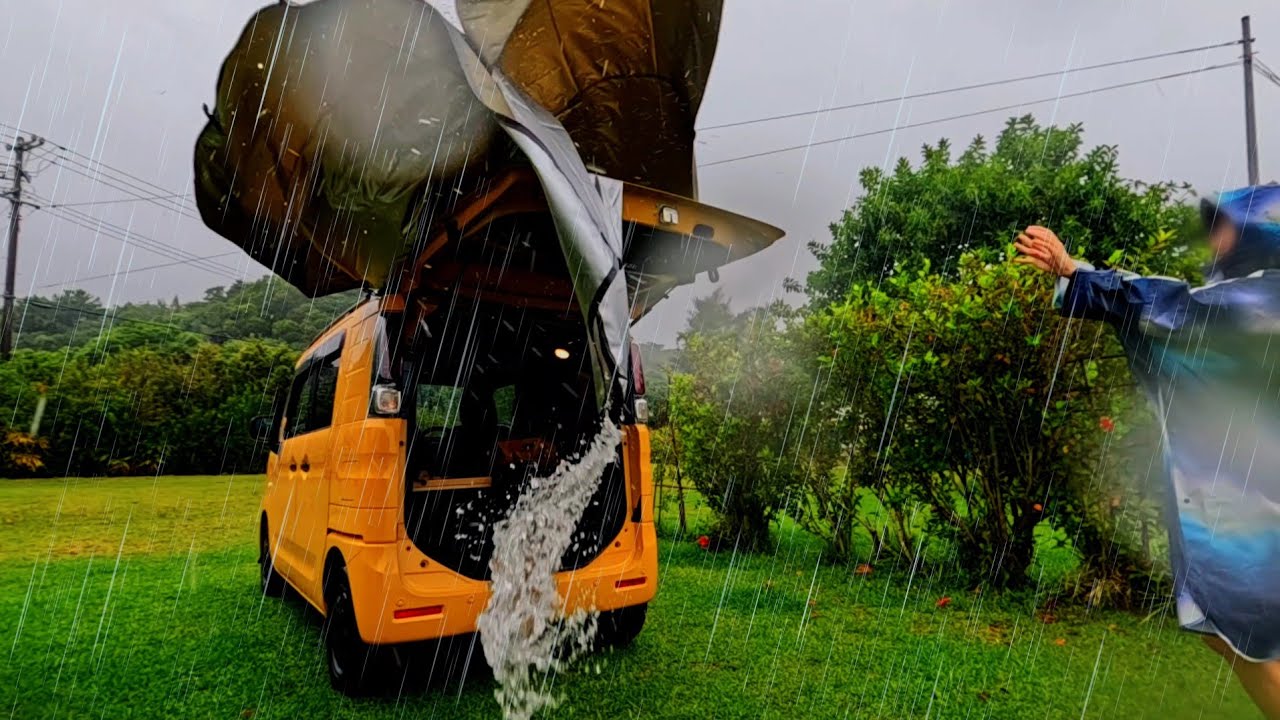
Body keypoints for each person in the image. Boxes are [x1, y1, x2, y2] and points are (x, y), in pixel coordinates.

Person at [1014, 185, 1280, 718]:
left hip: (1251, 499)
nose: (1216, 242)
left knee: (1245, 626)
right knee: (1230, 631)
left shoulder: (1259, 301)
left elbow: (1172, 311)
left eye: (1226, 229)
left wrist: (1074, 272)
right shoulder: (1249, 297)